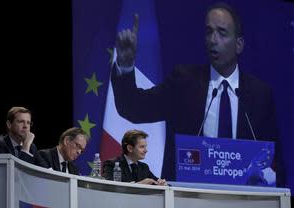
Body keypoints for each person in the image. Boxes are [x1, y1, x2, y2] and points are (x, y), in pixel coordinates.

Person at [112, 2, 281, 184]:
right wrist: (126, 64)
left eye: (221, 33)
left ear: (239, 44)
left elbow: (275, 161)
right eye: (209, 32)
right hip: (186, 201)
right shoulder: (184, 82)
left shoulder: (259, 94)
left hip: (243, 203)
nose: (213, 40)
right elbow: (132, 108)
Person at [103, 130, 167, 185]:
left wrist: (162, 184)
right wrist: (139, 185)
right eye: (142, 147)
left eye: (145, 146)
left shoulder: (144, 167)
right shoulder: (111, 164)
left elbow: (158, 182)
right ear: (130, 148)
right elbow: (109, 188)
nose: (146, 150)